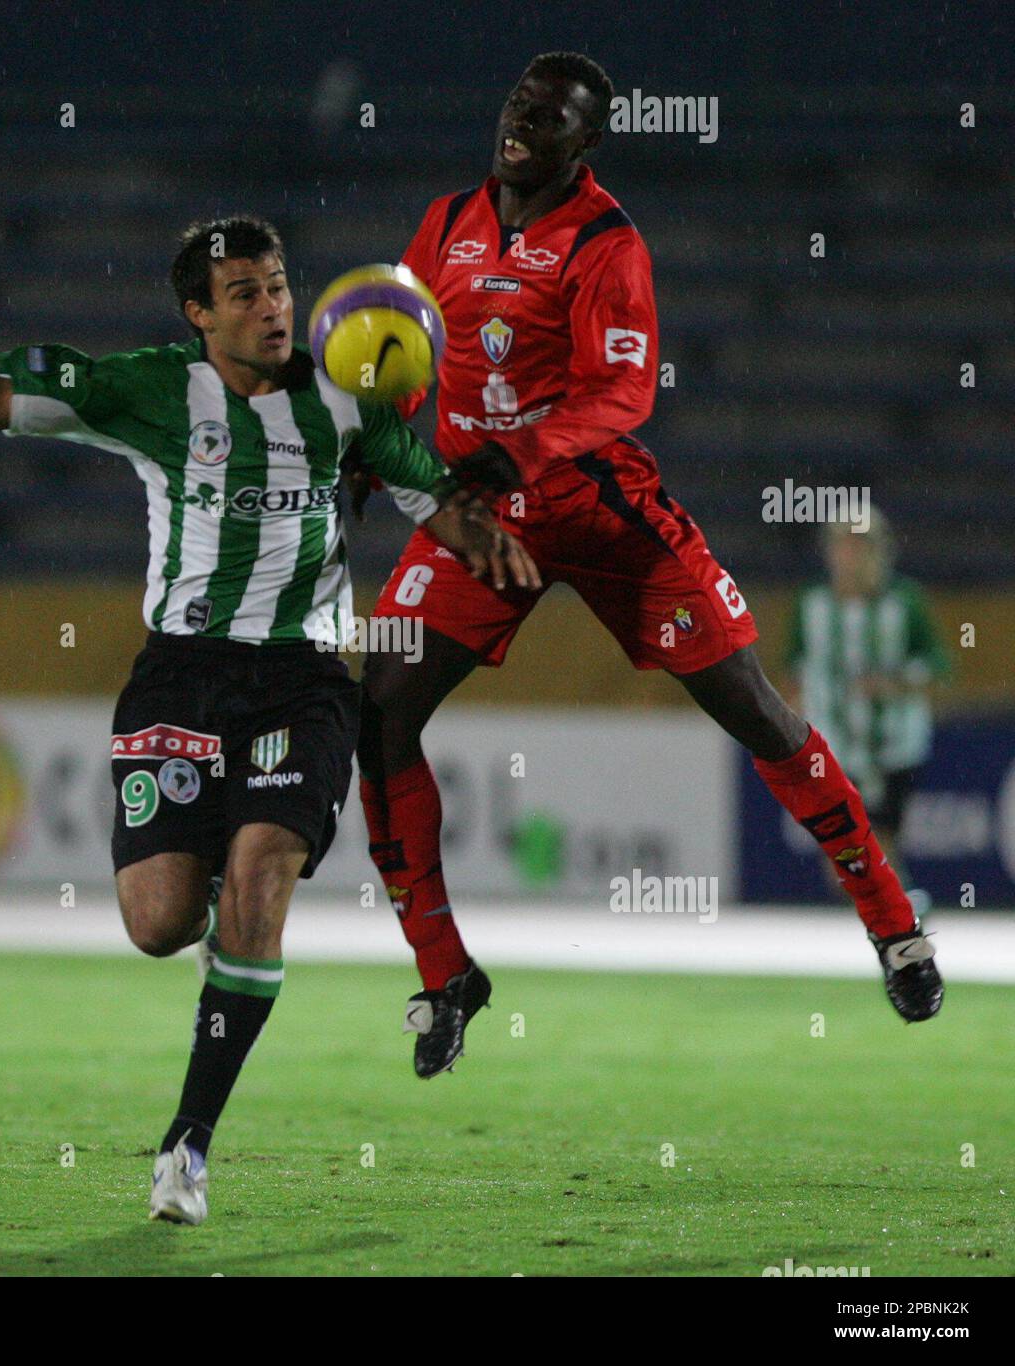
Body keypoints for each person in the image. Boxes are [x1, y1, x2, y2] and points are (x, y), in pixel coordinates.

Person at [0, 215, 536, 1225]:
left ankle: (186, 1145)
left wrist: (482, 538)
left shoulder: (344, 391)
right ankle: (223, 958)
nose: (273, 307)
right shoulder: (151, 390)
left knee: (261, 871)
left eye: (279, 285)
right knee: (160, 922)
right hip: (181, 676)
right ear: (197, 314)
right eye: (244, 292)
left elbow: (431, 494)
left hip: (305, 675)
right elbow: (3, 397)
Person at [353, 51, 944, 1079]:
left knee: (754, 706)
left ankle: (892, 923)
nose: (522, 124)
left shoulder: (607, 242)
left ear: (585, 144)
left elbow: (618, 397)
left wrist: (517, 450)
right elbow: (409, 354)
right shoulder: (444, 223)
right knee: (381, 708)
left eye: (549, 117)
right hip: (480, 515)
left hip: (599, 509)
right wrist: (379, 441)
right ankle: (444, 975)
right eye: (517, 104)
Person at [785, 510, 951, 885]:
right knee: (842, 862)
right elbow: (794, 671)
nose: (850, 557)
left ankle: (898, 923)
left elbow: (939, 671)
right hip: (832, 746)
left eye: (859, 547)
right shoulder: (811, 604)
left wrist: (894, 685)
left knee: (878, 844)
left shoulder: (905, 603)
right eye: (842, 547)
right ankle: (894, 918)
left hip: (894, 745)